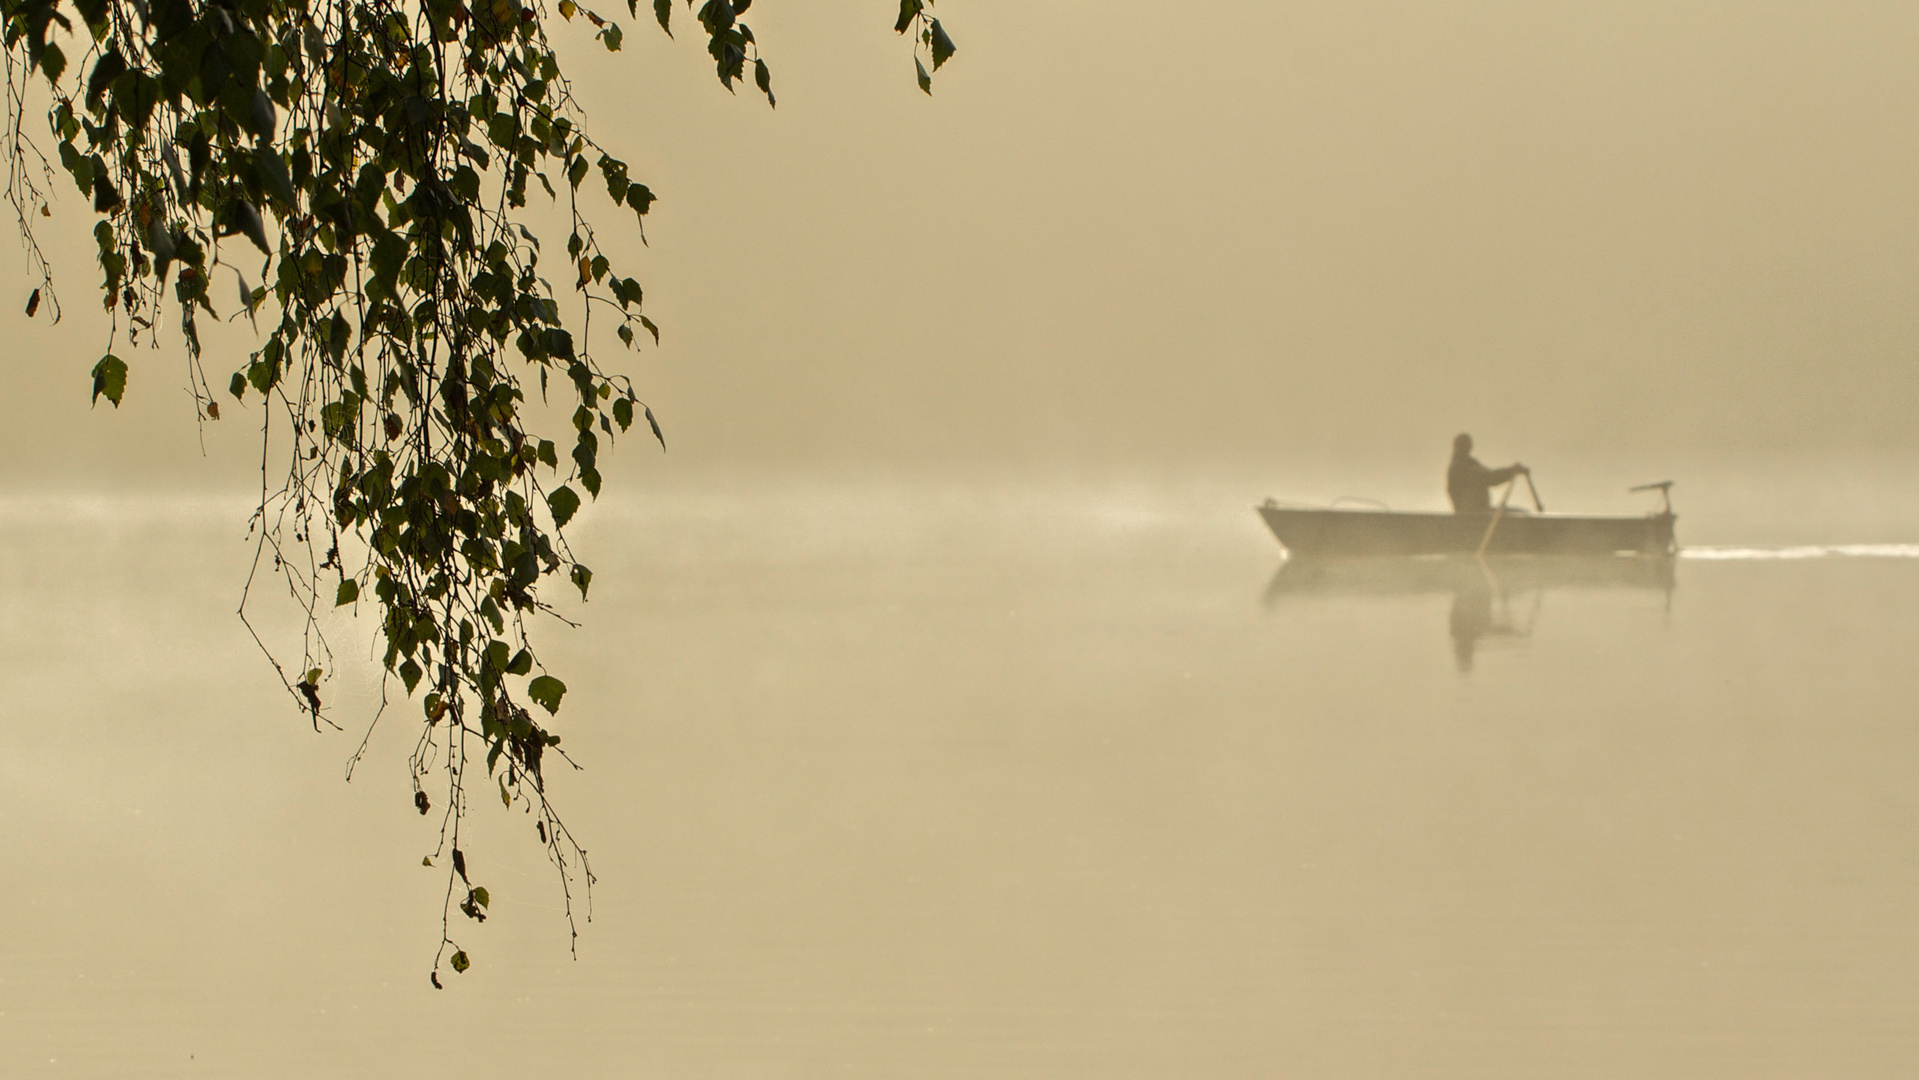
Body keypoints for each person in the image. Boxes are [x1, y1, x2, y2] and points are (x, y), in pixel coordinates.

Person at [1447, 433, 1529, 514]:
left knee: (1520, 513)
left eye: (1467, 444)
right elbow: (1489, 478)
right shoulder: (1459, 467)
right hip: (1471, 514)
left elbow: (1489, 476)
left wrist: (1512, 471)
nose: (1466, 446)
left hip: (1480, 511)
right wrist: (1511, 471)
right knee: (1519, 514)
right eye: (1463, 444)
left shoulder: (1470, 464)